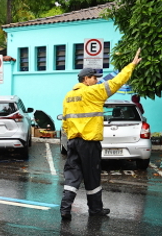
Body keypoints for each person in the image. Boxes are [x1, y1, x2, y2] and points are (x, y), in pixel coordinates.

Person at [60, 48, 143, 220]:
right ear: (86, 79)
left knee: (72, 174)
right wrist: (132, 65)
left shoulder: (68, 96)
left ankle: (65, 208)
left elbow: (65, 121)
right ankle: (95, 210)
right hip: (89, 143)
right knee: (92, 176)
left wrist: (70, 136)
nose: (97, 80)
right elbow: (115, 83)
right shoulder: (93, 92)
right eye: (94, 77)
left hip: (73, 142)